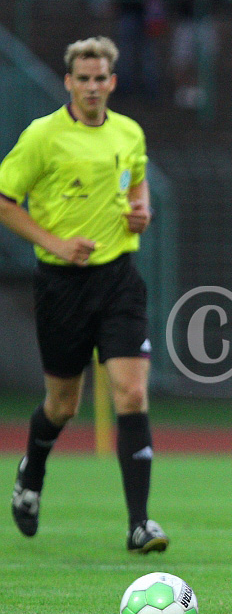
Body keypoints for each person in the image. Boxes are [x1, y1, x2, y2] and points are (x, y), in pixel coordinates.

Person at [0, 37, 166, 554]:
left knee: (131, 394)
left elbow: (136, 183)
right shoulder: (43, 136)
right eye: (83, 79)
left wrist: (142, 210)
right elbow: (5, 201)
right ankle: (31, 472)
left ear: (112, 82)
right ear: (69, 82)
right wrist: (55, 244)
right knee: (63, 404)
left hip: (118, 279)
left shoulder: (128, 131)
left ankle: (140, 524)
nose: (92, 87)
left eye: (100, 79)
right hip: (61, 286)